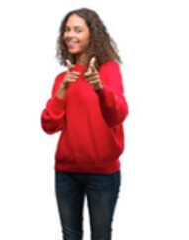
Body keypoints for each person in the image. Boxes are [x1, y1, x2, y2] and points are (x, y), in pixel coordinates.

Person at [39, 8, 128, 240]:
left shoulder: (109, 70)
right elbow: (49, 125)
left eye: (78, 30)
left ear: (92, 34)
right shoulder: (63, 78)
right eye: (67, 30)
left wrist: (99, 88)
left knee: (100, 235)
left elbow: (117, 115)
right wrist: (61, 91)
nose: (71, 35)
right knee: (70, 236)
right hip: (67, 173)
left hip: (102, 174)